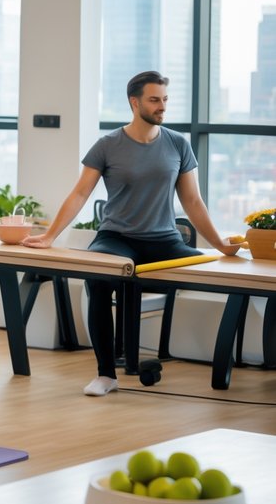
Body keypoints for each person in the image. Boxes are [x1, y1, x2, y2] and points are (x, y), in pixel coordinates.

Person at [23, 71, 240, 396]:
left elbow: (193, 201)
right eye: (154, 100)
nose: (162, 106)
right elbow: (80, 193)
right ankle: (106, 374)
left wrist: (220, 244)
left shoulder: (177, 143)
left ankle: (224, 366)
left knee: (222, 274)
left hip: (164, 241)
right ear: (134, 102)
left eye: (165, 99)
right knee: (97, 281)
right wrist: (49, 236)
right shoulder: (108, 145)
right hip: (117, 238)